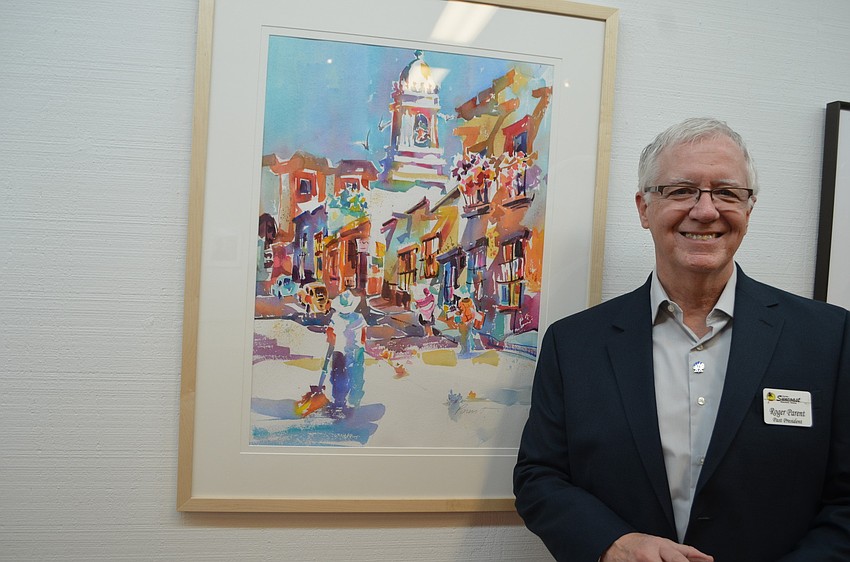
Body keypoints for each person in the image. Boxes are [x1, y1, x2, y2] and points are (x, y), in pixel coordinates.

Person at [513, 117, 850, 561]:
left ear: (749, 210)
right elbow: (540, 476)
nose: (706, 210)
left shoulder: (829, 338)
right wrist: (611, 543)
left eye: (727, 192)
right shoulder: (574, 344)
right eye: (681, 190)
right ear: (643, 208)